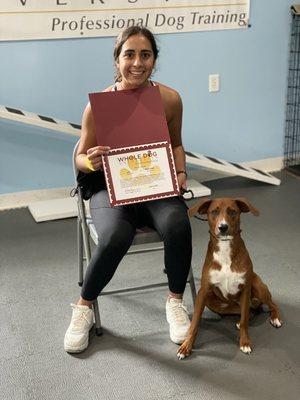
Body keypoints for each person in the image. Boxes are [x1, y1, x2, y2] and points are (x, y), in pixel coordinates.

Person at [64, 26, 192, 353]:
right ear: (117, 59)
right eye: (129, 54)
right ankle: (84, 307)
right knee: (115, 235)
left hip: (156, 183)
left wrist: (179, 172)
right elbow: (79, 158)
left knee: (178, 225)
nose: (137, 62)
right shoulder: (99, 106)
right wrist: (91, 161)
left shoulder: (169, 99)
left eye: (145, 55)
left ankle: (175, 301)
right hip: (110, 186)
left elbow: (176, 145)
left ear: (154, 59)